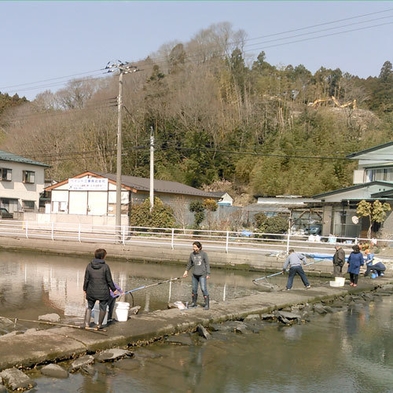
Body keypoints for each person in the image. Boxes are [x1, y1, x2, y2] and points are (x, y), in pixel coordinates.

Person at [83, 248, 118, 330]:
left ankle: (87, 324)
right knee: (103, 307)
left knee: (89, 307)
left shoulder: (89, 266)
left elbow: (86, 279)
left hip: (91, 291)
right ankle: (99, 325)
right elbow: (109, 280)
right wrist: (114, 290)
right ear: (103, 256)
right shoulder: (105, 267)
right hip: (103, 292)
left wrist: (85, 289)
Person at [183, 241, 211, 310]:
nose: (193, 248)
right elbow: (189, 264)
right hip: (194, 274)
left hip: (202, 274)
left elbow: (207, 264)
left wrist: (208, 273)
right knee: (194, 289)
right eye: (193, 247)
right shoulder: (192, 255)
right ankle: (193, 303)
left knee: (203, 289)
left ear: (199, 247)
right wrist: (186, 271)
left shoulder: (204, 254)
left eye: (195, 247)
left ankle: (207, 304)